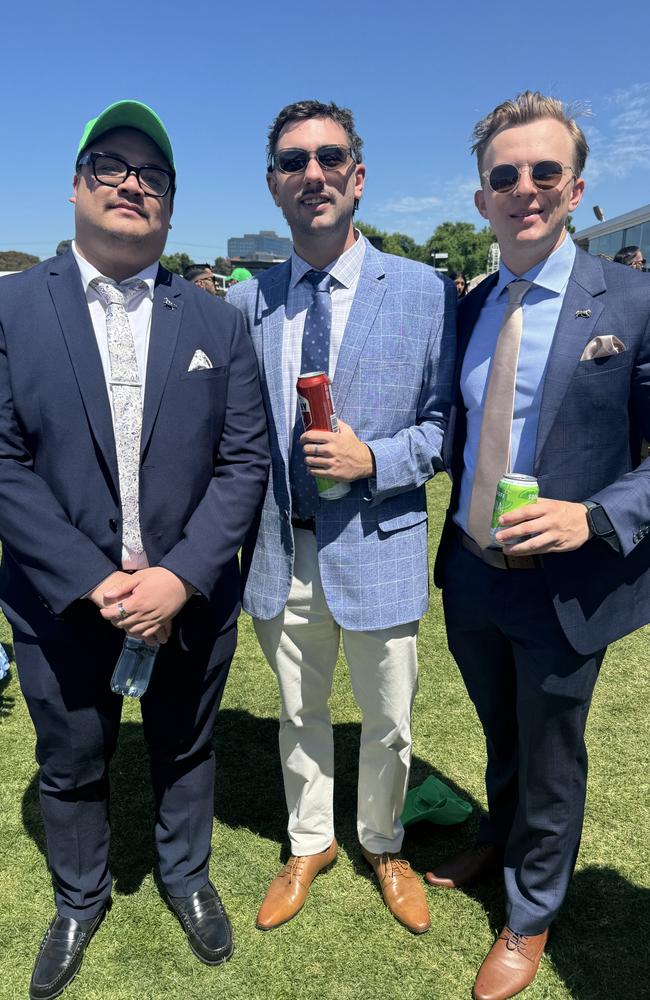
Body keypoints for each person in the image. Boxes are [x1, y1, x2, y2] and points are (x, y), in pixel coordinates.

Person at [0, 100, 269, 999]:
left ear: (170, 203)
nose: (131, 184)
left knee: (187, 749)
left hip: (188, 600)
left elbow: (243, 463)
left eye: (152, 175)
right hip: (57, 601)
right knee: (71, 758)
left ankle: (185, 876)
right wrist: (91, 582)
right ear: (77, 185)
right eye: (111, 165)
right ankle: (80, 896)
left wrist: (180, 577)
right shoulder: (11, 307)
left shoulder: (218, 321)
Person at [430, 91, 650, 1000]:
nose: (525, 188)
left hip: (570, 582)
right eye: (504, 175)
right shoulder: (470, 303)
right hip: (474, 573)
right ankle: (502, 827)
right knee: (499, 725)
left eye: (544, 172)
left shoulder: (632, 299)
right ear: (482, 195)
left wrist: (592, 516)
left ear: (576, 187)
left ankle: (530, 910)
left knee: (553, 748)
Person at [228, 99, 455, 935]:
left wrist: (375, 461)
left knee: (390, 719)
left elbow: (443, 429)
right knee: (297, 711)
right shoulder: (252, 301)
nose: (312, 174)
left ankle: (383, 840)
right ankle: (310, 839)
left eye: (329, 158)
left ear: (357, 176)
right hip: (281, 550)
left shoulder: (427, 291)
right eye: (294, 162)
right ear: (274, 187)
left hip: (380, 541)